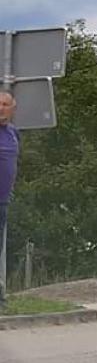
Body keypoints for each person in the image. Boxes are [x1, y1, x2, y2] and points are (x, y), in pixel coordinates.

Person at [0, 92, 19, 309]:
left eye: (5, 105)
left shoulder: (14, 133)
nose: (1, 108)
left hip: (3, 201)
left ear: (13, 108)